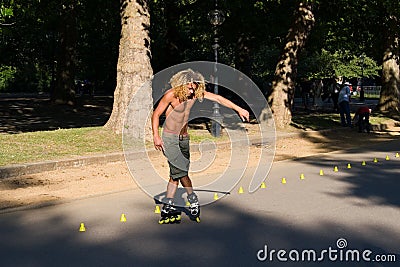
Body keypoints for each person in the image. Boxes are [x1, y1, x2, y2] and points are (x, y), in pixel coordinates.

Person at [152, 69, 250, 224]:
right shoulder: (171, 95)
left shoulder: (195, 93)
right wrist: (156, 136)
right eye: (189, 85)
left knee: (177, 171)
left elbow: (218, 98)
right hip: (169, 137)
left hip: (184, 138)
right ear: (181, 83)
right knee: (180, 169)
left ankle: (168, 204)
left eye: (195, 85)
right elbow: (156, 114)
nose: (192, 88)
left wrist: (239, 109)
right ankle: (192, 198)